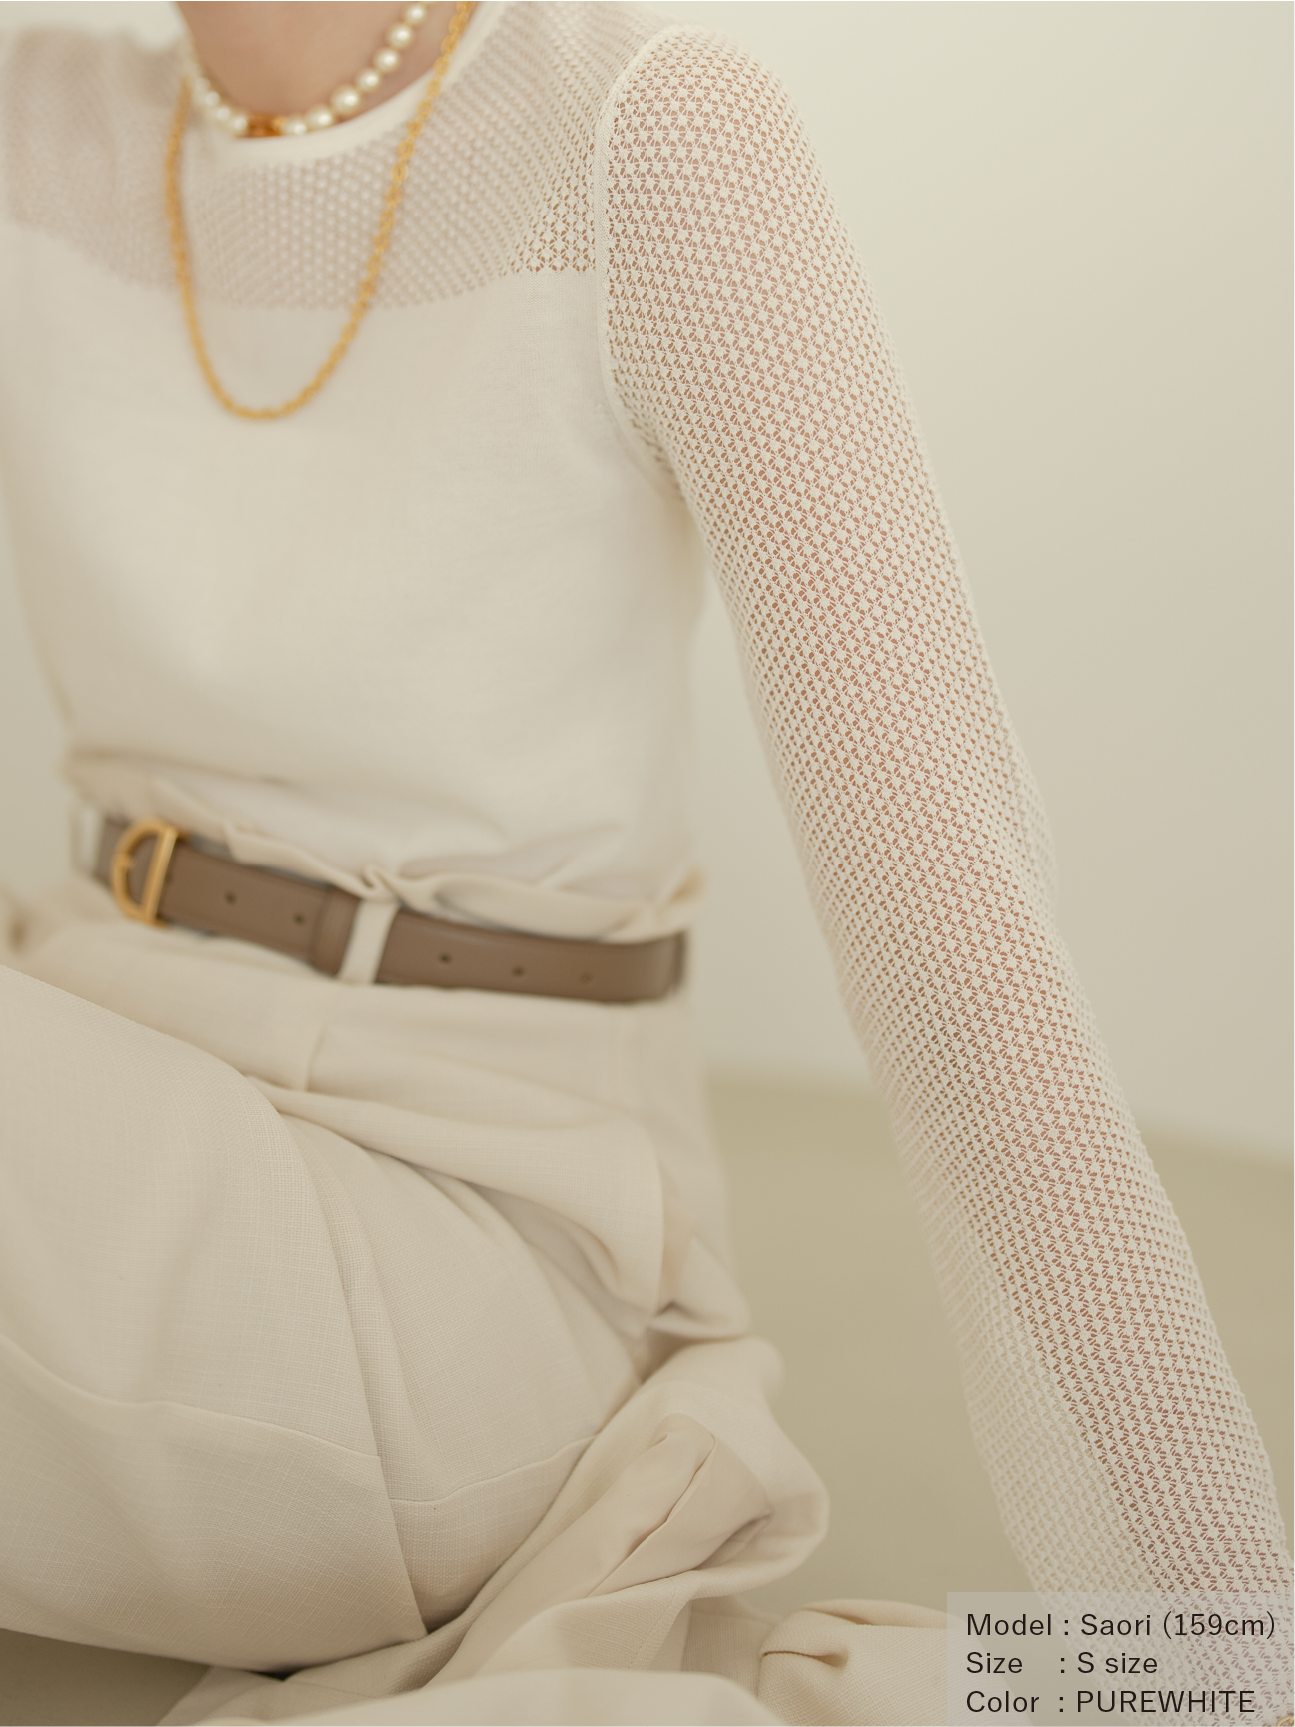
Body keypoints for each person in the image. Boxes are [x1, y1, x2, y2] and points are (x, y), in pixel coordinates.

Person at [0, 4, 1289, 1725]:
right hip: (101, 1049)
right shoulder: (38, 125)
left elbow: (947, 922)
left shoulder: (644, 138)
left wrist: (1210, 1634)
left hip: (474, 1218)